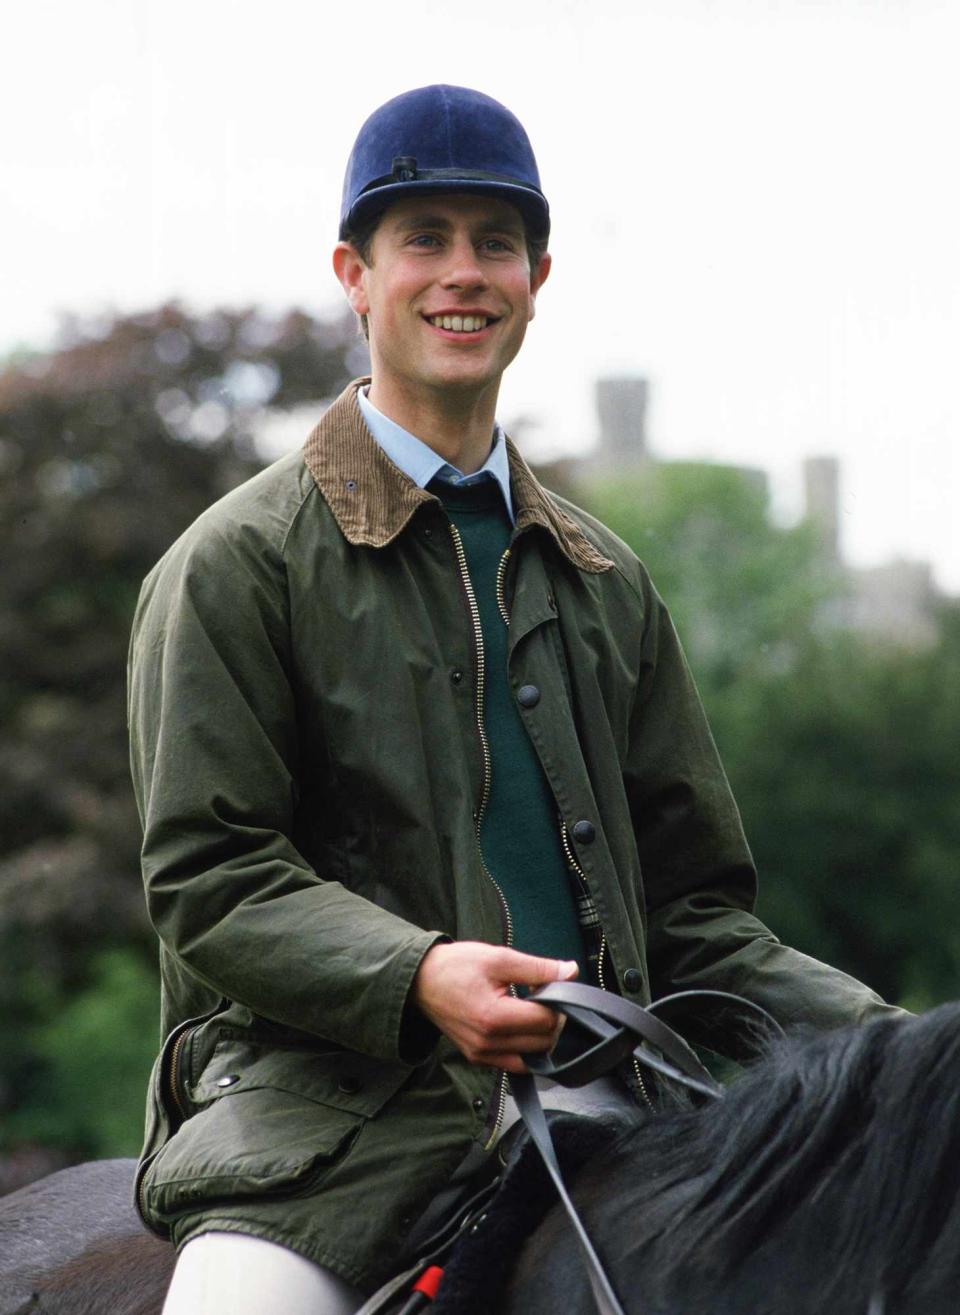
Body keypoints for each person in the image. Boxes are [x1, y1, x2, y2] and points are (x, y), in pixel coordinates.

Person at [128, 85, 898, 1314]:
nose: (463, 274)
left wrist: (897, 1049)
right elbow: (210, 879)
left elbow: (694, 911)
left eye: (495, 243)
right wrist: (419, 974)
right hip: (319, 1133)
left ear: (539, 276)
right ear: (355, 273)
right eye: (423, 238)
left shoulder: (611, 580)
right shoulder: (234, 564)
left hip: (615, 1101)